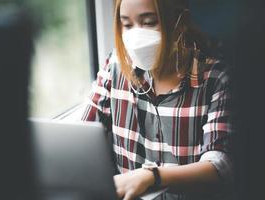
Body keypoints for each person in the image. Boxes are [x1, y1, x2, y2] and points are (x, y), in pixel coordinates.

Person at [81, 0, 234, 199]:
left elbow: (220, 165)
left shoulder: (217, 79)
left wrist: (152, 177)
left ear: (180, 22)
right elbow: (83, 134)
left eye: (149, 22)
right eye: (127, 25)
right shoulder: (114, 67)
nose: (136, 35)